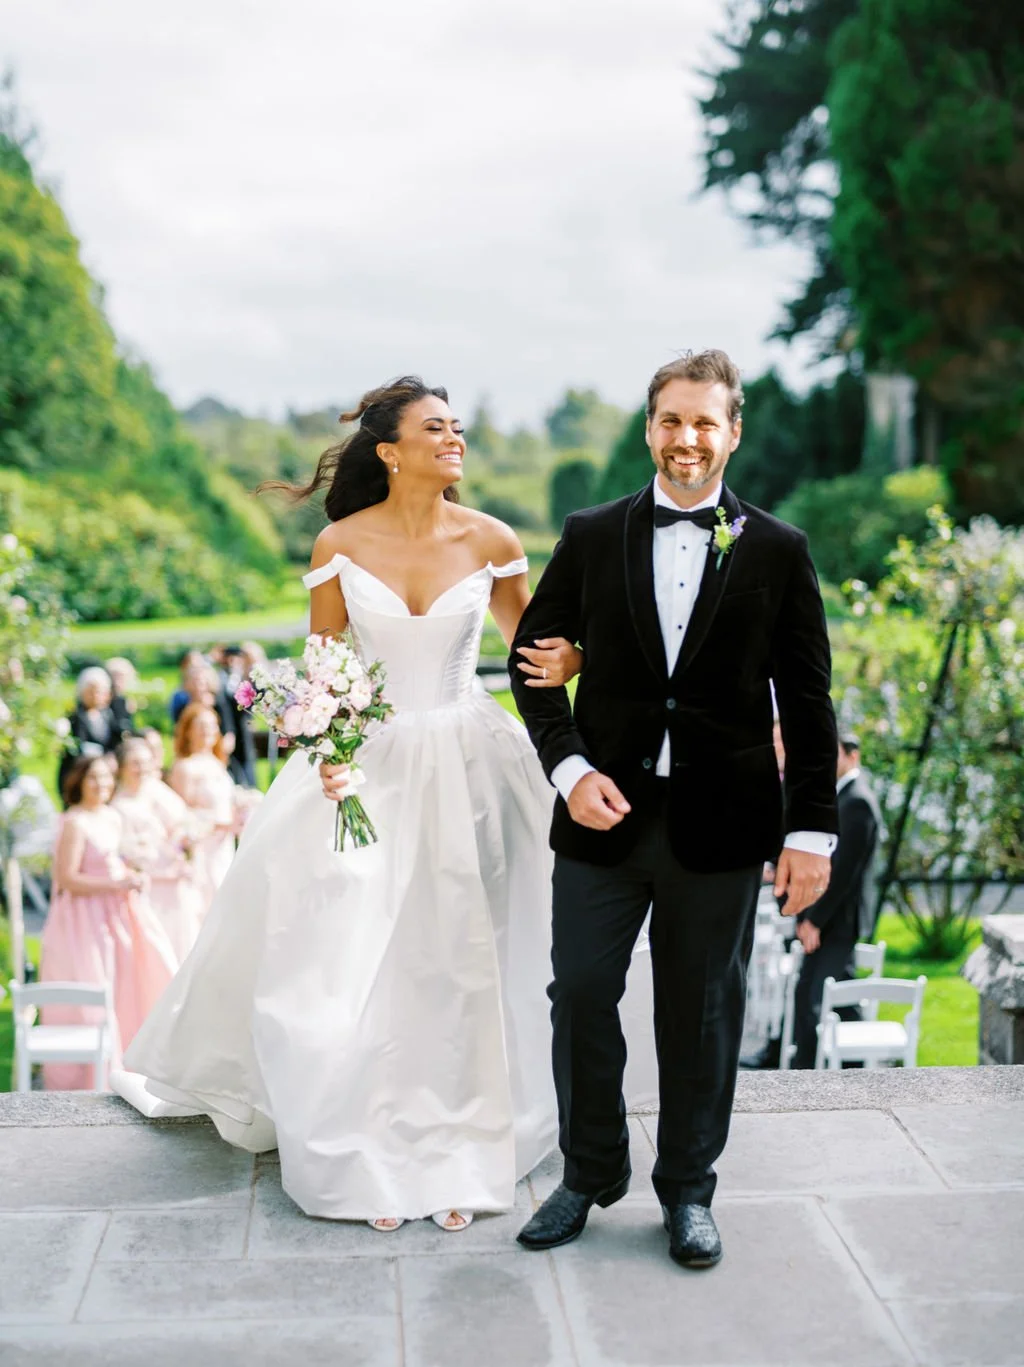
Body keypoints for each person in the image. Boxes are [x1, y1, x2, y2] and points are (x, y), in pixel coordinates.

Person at [113, 376, 581, 1234]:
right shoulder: (340, 542)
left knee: (463, 950)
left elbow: (536, 650)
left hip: (471, 757)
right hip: (363, 767)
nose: (456, 440)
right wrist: (326, 750)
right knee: (357, 950)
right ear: (390, 450)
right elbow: (324, 667)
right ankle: (370, 1144)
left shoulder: (493, 538)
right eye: (435, 428)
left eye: (459, 428)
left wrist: (577, 659)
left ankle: (458, 1146)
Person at [510, 349, 838, 1269]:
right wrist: (569, 768)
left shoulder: (779, 549)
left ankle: (689, 1189)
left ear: (733, 432)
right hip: (601, 814)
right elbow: (531, 663)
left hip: (723, 823)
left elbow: (809, 706)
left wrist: (811, 832)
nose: (686, 438)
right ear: (648, 426)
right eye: (670, 420)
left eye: (705, 421)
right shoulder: (591, 531)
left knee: (700, 1010)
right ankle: (588, 1173)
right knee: (578, 989)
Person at [40, 755, 176, 1089]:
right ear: (78, 782)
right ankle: (88, 1078)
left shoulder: (113, 817)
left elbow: (117, 860)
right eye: (93, 778)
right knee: (95, 984)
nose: (101, 784)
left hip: (117, 914)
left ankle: (128, 1065)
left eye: (105, 777)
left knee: (127, 984)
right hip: (83, 918)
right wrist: (115, 884)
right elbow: (67, 878)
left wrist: (132, 876)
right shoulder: (75, 822)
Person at [791, 735, 883, 1068]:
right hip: (831, 918)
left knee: (813, 997)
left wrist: (814, 920)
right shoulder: (843, 796)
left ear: (852, 756)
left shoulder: (857, 801)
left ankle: (807, 1073)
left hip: (838, 920)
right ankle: (862, 1068)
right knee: (836, 997)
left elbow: (843, 871)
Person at [112, 736, 205, 966]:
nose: (141, 768)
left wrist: (186, 840)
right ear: (122, 767)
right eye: (135, 763)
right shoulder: (118, 806)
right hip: (151, 885)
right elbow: (125, 851)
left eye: (145, 762)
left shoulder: (159, 790)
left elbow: (184, 821)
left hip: (177, 881)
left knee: (186, 942)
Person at [168, 703, 253, 912]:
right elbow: (179, 814)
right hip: (202, 847)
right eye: (201, 726)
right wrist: (215, 823)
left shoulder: (217, 762)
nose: (208, 731)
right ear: (188, 731)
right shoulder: (184, 767)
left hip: (223, 844)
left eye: (212, 726)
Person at [57, 666, 125, 794]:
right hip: (79, 774)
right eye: (91, 691)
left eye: (100, 692)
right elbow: (78, 747)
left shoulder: (107, 714)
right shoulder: (75, 717)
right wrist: (103, 757)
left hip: (103, 772)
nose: (96, 696)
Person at [105, 657, 141, 737]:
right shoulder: (104, 700)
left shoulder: (124, 700)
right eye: (115, 677)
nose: (117, 681)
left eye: (121, 677)